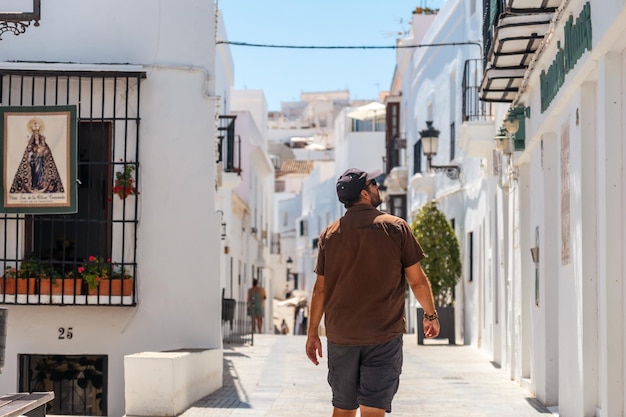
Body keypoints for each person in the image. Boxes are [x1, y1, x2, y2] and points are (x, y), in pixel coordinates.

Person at [305, 168, 440, 417]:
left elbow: (320, 290)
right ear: (365, 194)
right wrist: (430, 315)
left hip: (342, 336)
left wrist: (312, 333)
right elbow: (418, 282)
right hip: (383, 336)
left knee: (343, 409)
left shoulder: (329, 234)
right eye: (373, 183)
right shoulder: (396, 228)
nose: (378, 187)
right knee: (373, 411)